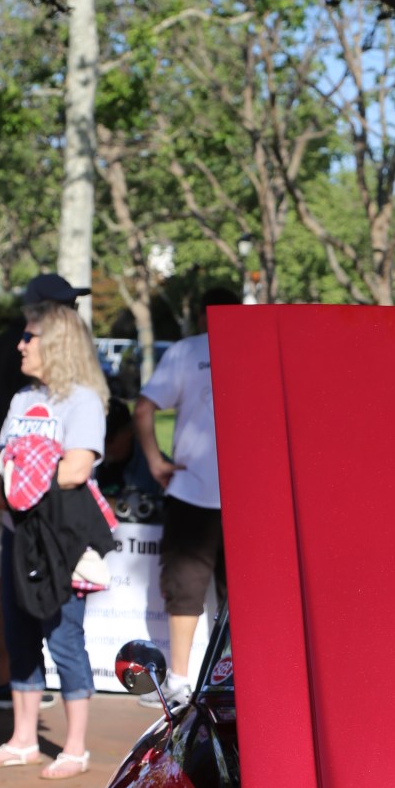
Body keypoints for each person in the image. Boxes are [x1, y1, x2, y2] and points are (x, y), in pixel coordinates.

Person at [0, 301, 109, 778]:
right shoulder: (22, 399)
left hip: (61, 541)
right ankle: (23, 740)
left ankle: (75, 749)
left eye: (29, 337)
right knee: (17, 634)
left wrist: (15, 484)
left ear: (55, 343)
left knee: (64, 638)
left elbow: (76, 469)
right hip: (19, 535)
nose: (20, 345)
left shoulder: (83, 401)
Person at [0, 274, 90, 708]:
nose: (74, 312)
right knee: (0, 578)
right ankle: (5, 678)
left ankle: (5, 679)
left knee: (1, 578)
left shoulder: (2, 347)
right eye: (67, 304)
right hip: (11, 490)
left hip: (8, 484)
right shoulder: (25, 352)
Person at [133, 286, 239, 708]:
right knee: (241, 597)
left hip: (192, 490)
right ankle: (235, 680)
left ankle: (178, 680)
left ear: (200, 316)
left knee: (184, 590)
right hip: (245, 495)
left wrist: (156, 462)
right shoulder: (256, 350)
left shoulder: (184, 351)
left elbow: (144, 408)